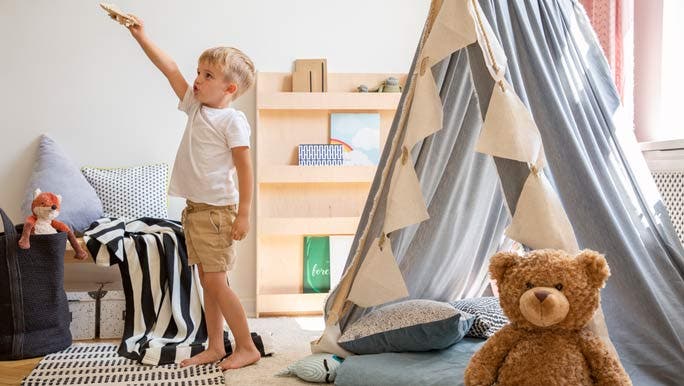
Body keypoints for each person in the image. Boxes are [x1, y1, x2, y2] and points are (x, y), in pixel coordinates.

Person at [125, 15, 260, 370]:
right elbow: (169, 69)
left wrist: (244, 213)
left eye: (208, 76)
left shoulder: (232, 121)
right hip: (196, 211)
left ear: (230, 89)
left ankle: (245, 346)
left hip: (218, 214)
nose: (197, 80)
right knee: (208, 283)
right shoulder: (196, 106)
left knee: (217, 284)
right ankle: (216, 345)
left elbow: (245, 168)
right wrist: (141, 35)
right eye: (199, 72)